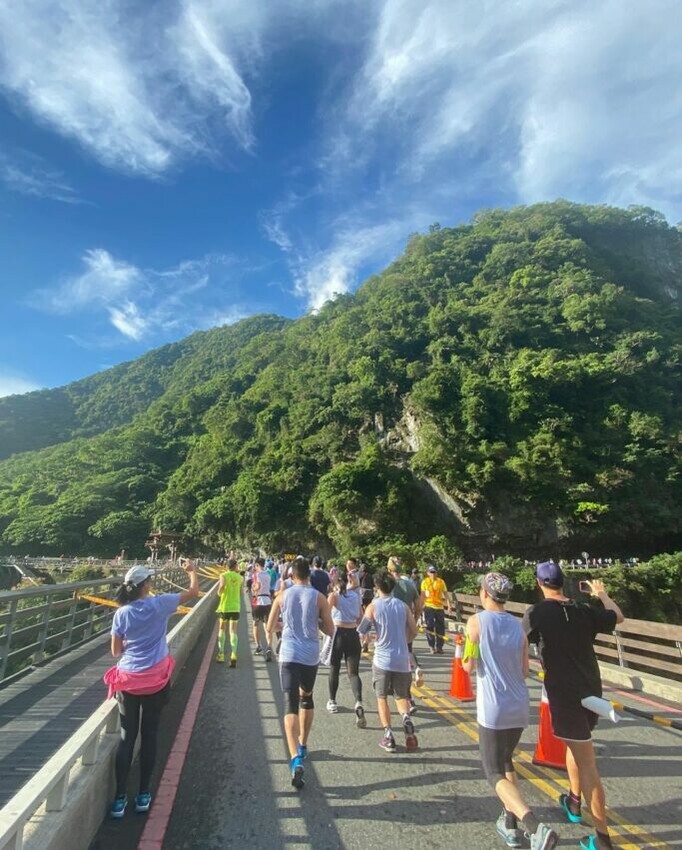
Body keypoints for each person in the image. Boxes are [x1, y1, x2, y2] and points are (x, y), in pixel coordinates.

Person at [522, 562, 624, 850]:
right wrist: (601, 594)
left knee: (588, 762)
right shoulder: (582, 609)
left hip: (564, 694)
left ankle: (602, 839)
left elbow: (517, 640)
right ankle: (574, 801)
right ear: (563, 583)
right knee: (575, 747)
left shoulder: (537, 612)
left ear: (538, 583)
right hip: (592, 690)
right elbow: (618, 617)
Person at [463, 573, 558, 850]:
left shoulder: (475, 622)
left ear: (484, 593)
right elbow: (524, 669)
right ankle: (510, 823)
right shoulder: (518, 628)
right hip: (519, 706)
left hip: (493, 707)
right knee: (506, 762)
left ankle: (534, 827)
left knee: (493, 772)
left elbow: (468, 666)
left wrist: (465, 645)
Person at [105, 562, 199, 818]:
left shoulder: (121, 613)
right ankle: (143, 794)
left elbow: (115, 652)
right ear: (145, 584)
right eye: (150, 580)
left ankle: (119, 799)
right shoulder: (161, 604)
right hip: (155, 680)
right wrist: (191, 570)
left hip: (128, 680)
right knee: (149, 735)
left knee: (127, 737)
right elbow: (192, 592)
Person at [266, 557, 334, 789]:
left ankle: (295, 757)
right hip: (310, 655)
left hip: (288, 654)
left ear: (292, 575)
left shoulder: (282, 596)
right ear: (309, 576)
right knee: (307, 697)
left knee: (289, 703)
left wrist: (276, 633)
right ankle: (303, 744)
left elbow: (270, 626)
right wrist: (315, 622)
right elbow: (330, 629)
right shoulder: (319, 597)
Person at [359, 570, 418, 753]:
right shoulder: (402, 606)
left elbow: (362, 630)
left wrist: (368, 639)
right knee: (401, 696)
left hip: (382, 659)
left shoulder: (373, 606)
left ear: (377, 587)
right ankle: (406, 718)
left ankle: (388, 735)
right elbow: (414, 630)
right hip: (401, 659)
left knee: (382, 697)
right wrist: (404, 639)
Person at [326, 569, 366, 727]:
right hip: (353, 633)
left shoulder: (334, 596)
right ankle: (358, 701)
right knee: (353, 672)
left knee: (334, 667)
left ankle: (332, 701)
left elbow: (325, 614)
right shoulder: (356, 596)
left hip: (338, 633)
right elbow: (360, 617)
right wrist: (364, 634)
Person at [387, 556, 424, 710]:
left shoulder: (389, 585)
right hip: (407, 625)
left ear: (389, 570)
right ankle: (415, 670)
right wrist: (414, 619)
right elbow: (418, 605)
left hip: (392, 626)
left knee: (392, 660)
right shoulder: (410, 584)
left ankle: (401, 694)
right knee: (407, 655)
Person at [216, 558, 242, 666]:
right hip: (235, 607)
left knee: (222, 629)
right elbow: (241, 593)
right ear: (235, 566)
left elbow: (220, 589)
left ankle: (221, 654)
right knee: (233, 631)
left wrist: (220, 592)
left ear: (227, 566)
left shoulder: (223, 576)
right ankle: (234, 654)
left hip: (224, 607)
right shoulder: (240, 578)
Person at [420, 565, 452, 653]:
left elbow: (446, 594)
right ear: (427, 573)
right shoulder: (424, 582)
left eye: (434, 572)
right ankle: (431, 646)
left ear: (436, 573)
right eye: (431, 572)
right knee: (430, 625)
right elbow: (422, 596)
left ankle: (439, 647)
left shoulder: (441, 582)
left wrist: (449, 606)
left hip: (439, 606)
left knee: (441, 627)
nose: (433, 574)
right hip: (429, 606)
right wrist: (420, 606)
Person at [252, 559, 273, 661]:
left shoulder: (256, 574)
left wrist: (254, 589)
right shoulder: (268, 575)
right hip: (267, 601)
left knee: (255, 624)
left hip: (258, 601)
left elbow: (257, 586)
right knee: (266, 626)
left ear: (257, 565)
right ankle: (269, 647)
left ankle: (258, 646)